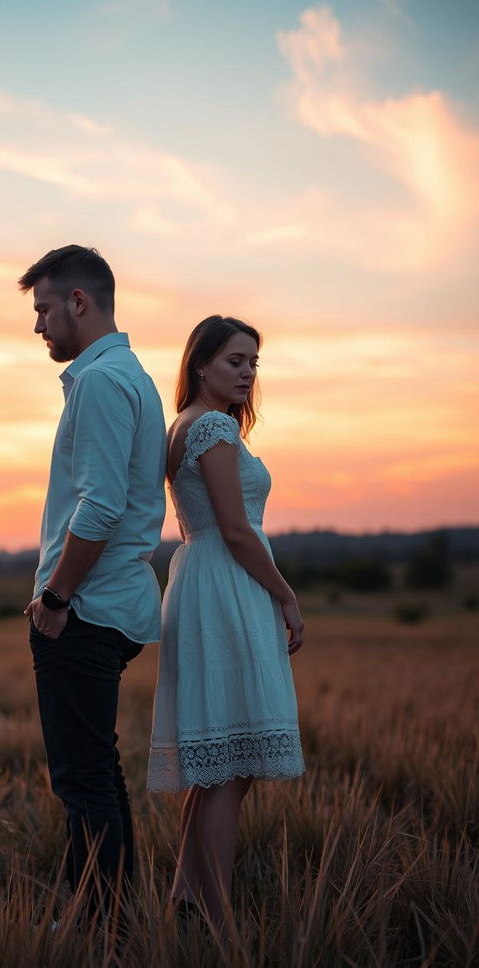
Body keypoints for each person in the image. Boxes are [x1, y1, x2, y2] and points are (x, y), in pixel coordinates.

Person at [20, 245, 166, 918]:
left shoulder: (105, 381)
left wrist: (55, 599)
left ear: (79, 301)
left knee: (82, 781)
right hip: (107, 605)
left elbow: (101, 505)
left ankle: (98, 927)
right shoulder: (128, 374)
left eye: (44, 309)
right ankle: (111, 918)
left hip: (87, 610)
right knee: (97, 775)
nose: (39, 326)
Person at [147, 315, 304, 933]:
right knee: (231, 763)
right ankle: (216, 920)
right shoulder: (210, 427)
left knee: (223, 763)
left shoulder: (187, 426)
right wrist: (286, 596)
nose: (246, 373)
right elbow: (237, 530)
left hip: (206, 581)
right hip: (225, 585)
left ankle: (187, 899)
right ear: (201, 364)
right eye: (235, 360)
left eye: (253, 363)